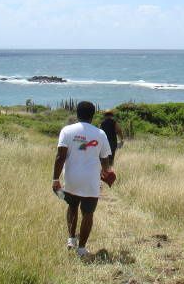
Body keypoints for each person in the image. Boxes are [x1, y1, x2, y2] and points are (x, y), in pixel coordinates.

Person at [52, 101, 113, 257]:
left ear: (77, 114)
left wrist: (55, 179)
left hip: (72, 178)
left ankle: (71, 239)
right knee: (88, 214)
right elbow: (105, 158)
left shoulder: (67, 130)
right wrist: (106, 171)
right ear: (93, 115)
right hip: (91, 181)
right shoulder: (100, 134)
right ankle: (81, 248)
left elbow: (60, 157)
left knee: (72, 207)